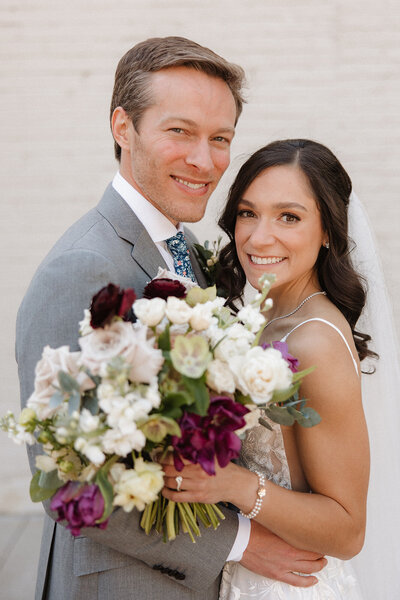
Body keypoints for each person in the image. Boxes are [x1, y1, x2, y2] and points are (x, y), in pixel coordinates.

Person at [16, 42, 327, 600]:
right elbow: (68, 481)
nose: (204, 161)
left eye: (220, 138)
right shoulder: (84, 268)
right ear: (122, 127)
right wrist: (240, 543)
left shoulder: (182, 246)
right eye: (179, 132)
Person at [162, 139, 374, 599]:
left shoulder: (314, 340)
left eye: (289, 217)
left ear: (327, 232)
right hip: (246, 573)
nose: (259, 237)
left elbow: (347, 530)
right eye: (247, 212)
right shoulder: (262, 318)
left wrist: (233, 483)